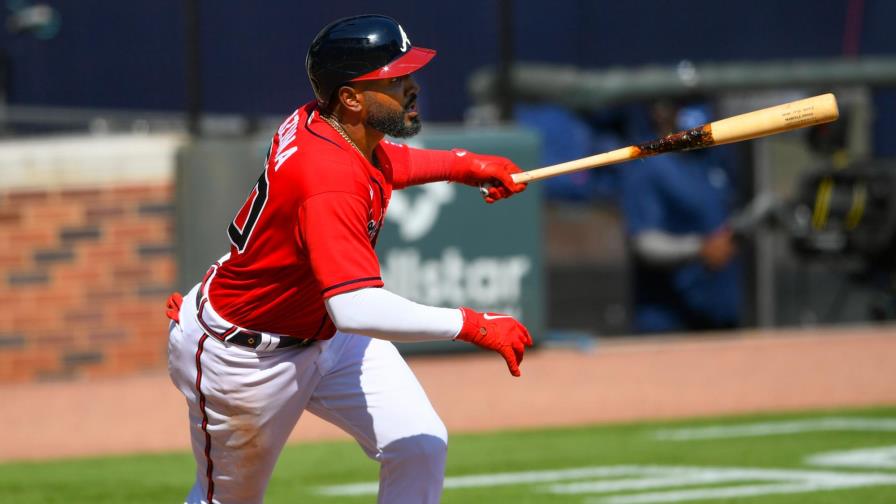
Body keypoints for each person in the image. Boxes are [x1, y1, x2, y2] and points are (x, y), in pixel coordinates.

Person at [164, 15, 532, 504]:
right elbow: (355, 307)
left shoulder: (329, 126)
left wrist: (461, 164)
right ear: (351, 98)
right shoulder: (328, 178)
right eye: (394, 79)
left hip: (324, 334)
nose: (411, 87)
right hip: (248, 358)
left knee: (419, 443)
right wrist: (470, 323)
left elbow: (385, 162)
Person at [620, 101, 741, 333]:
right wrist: (700, 248)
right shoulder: (649, 162)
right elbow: (644, 242)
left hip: (718, 313)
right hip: (668, 322)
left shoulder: (712, 157)